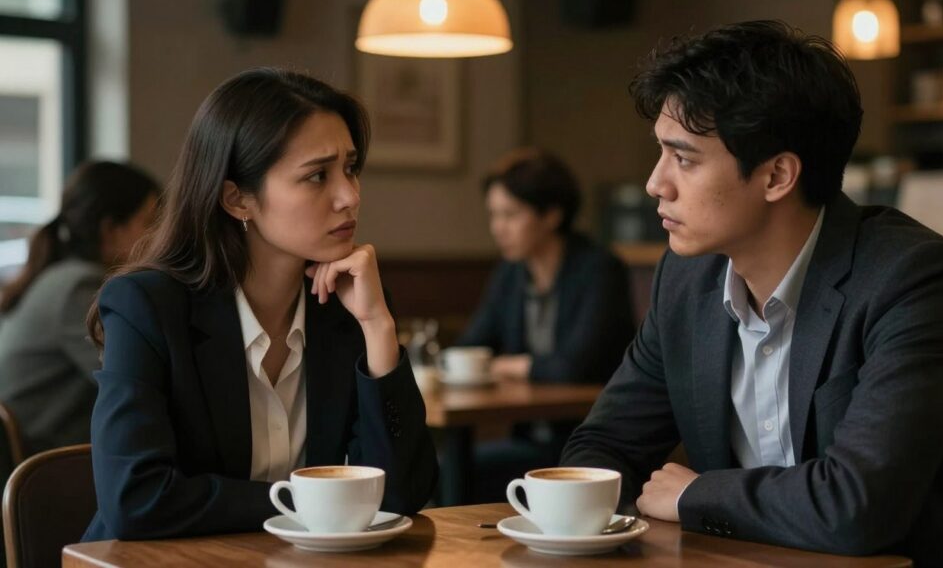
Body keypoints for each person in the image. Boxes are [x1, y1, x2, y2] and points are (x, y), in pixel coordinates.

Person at [560, 21, 943, 567]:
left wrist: (694, 496)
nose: (656, 183)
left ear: (776, 176)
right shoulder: (685, 283)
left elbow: (859, 505)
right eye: (661, 153)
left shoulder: (910, 277)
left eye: (684, 159)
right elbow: (600, 454)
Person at [82, 68, 438, 541]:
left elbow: (401, 495)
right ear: (237, 199)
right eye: (317, 175)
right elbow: (137, 499)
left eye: (351, 168)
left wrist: (378, 327)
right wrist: (314, 502)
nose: (350, 196)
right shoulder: (147, 305)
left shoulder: (349, 306)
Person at [458, 148, 635, 501]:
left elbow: (574, 365)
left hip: (590, 443)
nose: (498, 228)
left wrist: (508, 364)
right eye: (494, 215)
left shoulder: (598, 269)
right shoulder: (511, 273)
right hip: (529, 436)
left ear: (552, 215)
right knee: (446, 467)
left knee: (456, 471)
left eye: (510, 214)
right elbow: (471, 346)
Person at [0, 161, 159, 457]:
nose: (160, 237)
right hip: (49, 465)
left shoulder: (58, 277)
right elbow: (137, 377)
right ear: (110, 229)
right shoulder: (80, 288)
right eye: (150, 222)